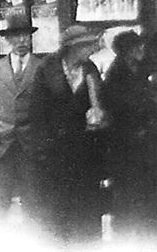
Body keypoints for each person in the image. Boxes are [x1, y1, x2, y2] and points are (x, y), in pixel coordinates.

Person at [28, 24, 108, 244]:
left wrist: (99, 114)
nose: (92, 49)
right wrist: (43, 149)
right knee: (57, 214)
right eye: (88, 45)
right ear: (74, 47)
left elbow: (100, 105)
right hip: (54, 154)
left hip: (84, 152)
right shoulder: (47, 68)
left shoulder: (90, 70)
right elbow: (36, 113)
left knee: (85, 216)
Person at [0, 16, 44, 218]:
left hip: (30, 148)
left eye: (25, 36)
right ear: (8, 40)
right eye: (16, 36)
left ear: (30, 39)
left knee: (34, 207)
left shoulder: (42, 67)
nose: (21, 41)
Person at [101, 30, 157, 241]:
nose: (141, 50)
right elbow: (121, 108)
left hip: (147, 147)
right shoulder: (116, 77)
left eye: (141, 46)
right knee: (126, 197)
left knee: (147, 198)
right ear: (126, 52)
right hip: (126, 147)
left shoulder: (143, 71)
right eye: (136, 47)